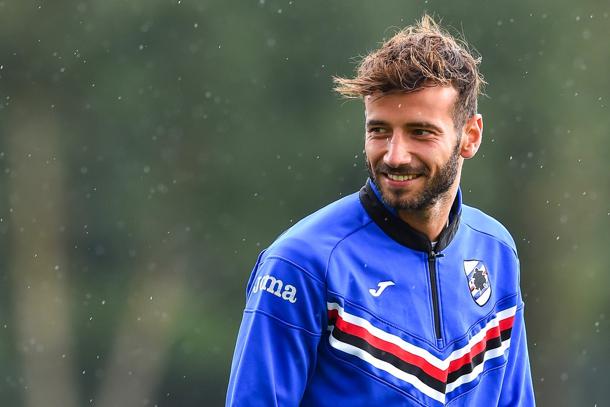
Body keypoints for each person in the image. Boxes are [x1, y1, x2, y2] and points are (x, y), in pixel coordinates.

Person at [226, 15, 535, 406]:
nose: (395, 155)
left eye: (420, 132)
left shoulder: (496, 251)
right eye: (379, 131)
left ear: (469, 137)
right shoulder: (301, 263)